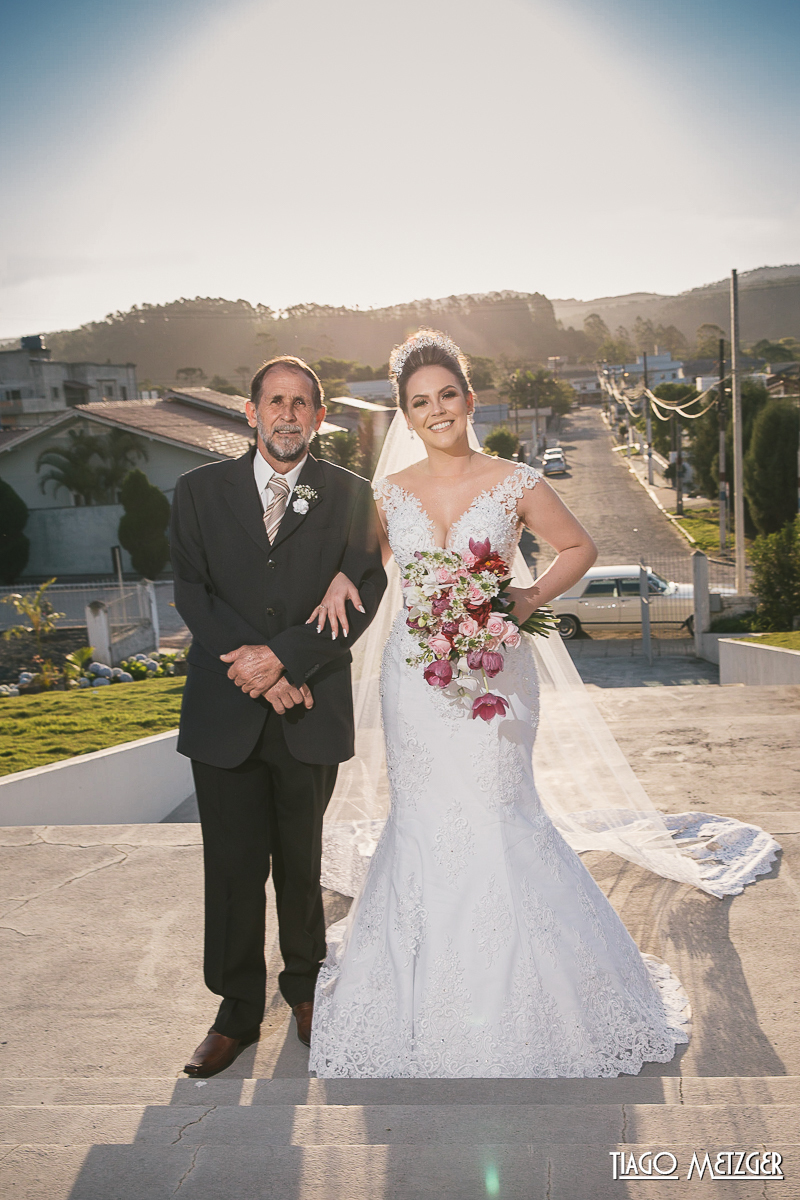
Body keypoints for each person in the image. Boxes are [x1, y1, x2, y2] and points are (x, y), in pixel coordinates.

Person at [306, 330, 692, 1079]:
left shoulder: (514, 480)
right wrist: (336, 580)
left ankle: (533, 1001)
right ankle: (422, 1002)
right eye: (420, 403)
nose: (437, 410)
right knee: (421, 822)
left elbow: (577, 548)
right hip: (414, 682)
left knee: (496, 812)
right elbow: (363, 563)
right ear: (405, 417)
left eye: (447, 395)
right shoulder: (389, 493)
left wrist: (526, 597)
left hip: (496, 675)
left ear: (470, 399)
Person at [170, 355, 386, 1078]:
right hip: (223, 713)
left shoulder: (351, 497)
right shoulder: (198, 492)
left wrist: (287, 662)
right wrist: (258, 670)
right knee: (232, 869)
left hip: (310, 711)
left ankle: (304, 994)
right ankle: (234, 1015)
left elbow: (364, 587)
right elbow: (192, 593)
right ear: (251, 412)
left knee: (300, 866)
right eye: (276, 402)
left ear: (318, 417)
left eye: (302, 404)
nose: (288, 415)